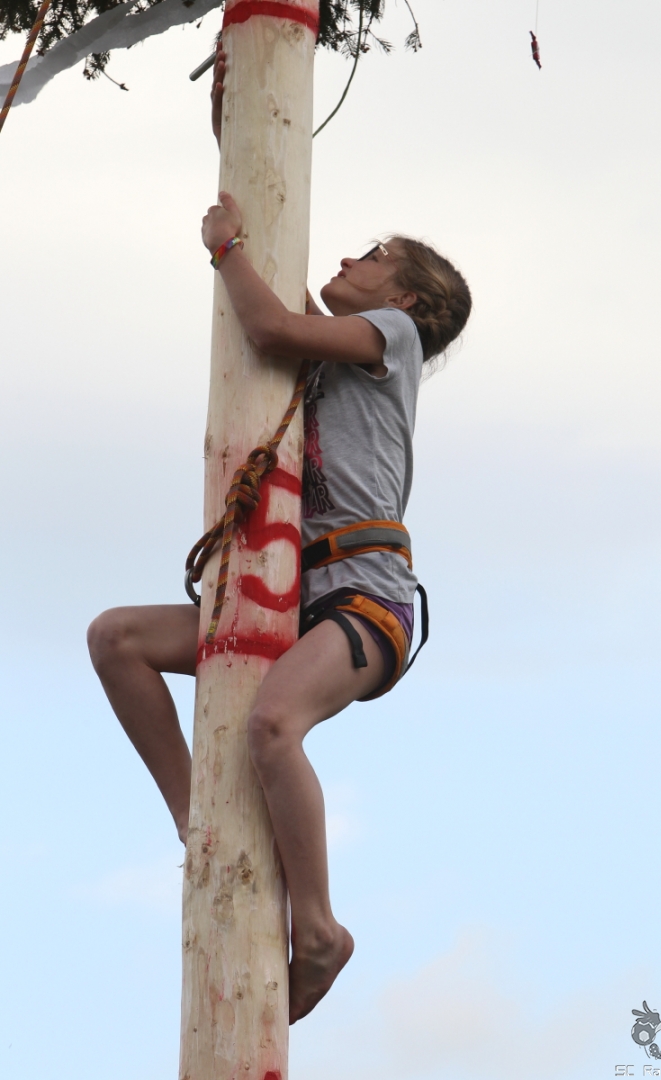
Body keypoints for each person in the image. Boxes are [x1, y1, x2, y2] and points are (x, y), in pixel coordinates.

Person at [87, 49, 472, 1025]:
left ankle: (322, 926)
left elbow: (264, 322)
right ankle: (199, 824)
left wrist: (222, 252)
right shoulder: (338, 351)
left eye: (373, 256)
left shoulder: (392, 340)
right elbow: (278, 276)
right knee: (116, 638)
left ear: (409, 300)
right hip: (299, 595)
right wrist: (234, 135)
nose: (348, 261)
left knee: (271, 724)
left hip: (366, 598)